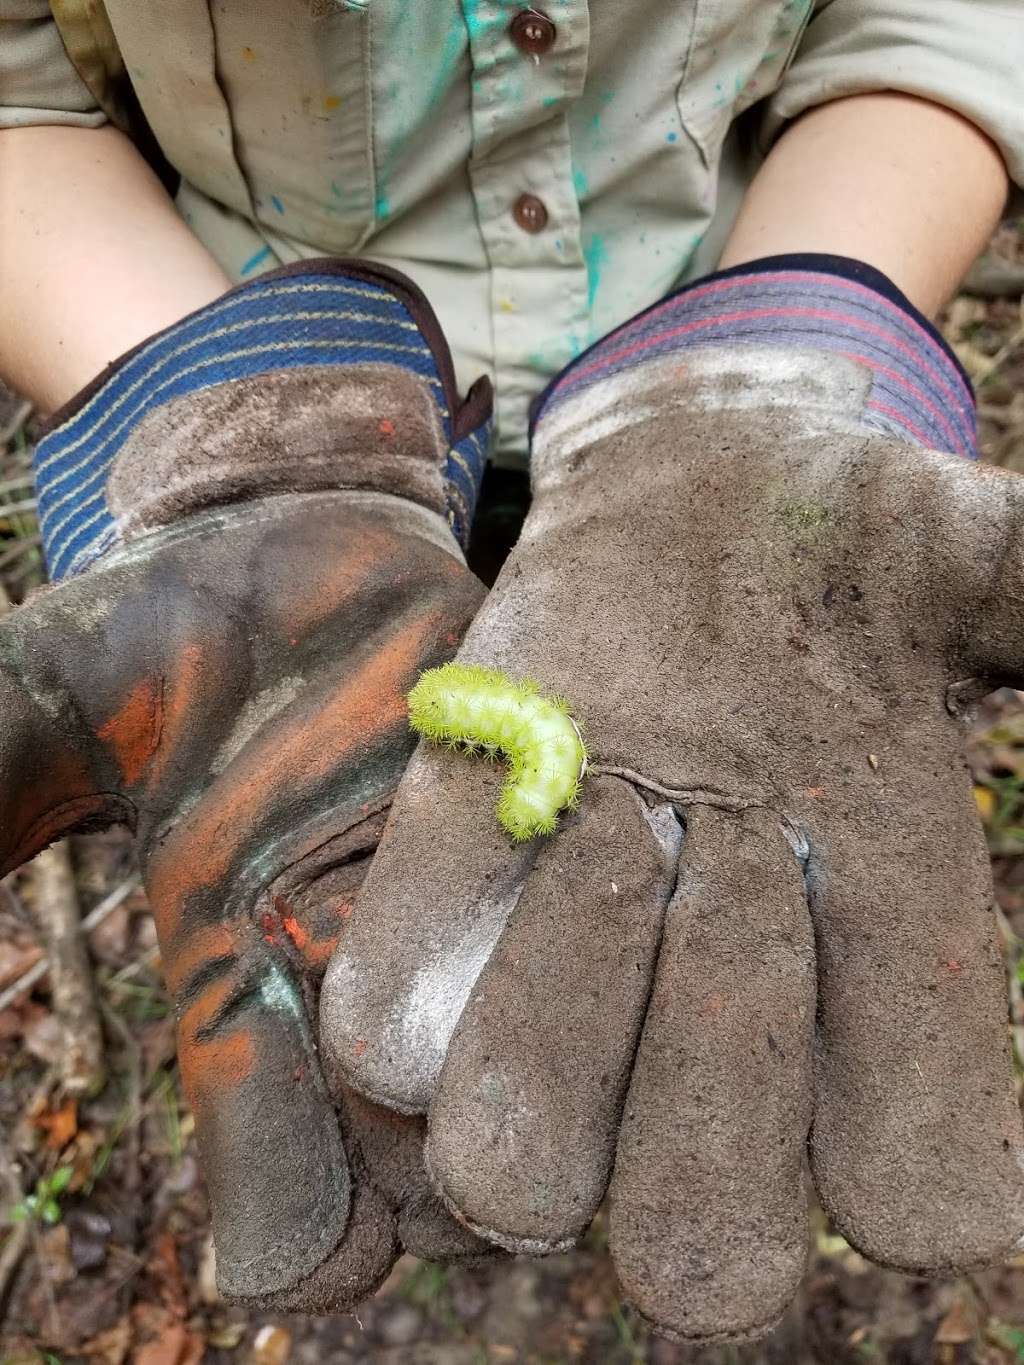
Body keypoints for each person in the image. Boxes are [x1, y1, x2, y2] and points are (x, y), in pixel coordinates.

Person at [2, 0, 1023, 1343]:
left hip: (709, 392)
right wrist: (229, 445)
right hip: (278, 386)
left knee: (602, 909)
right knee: (434, 884)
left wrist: (795, 335)